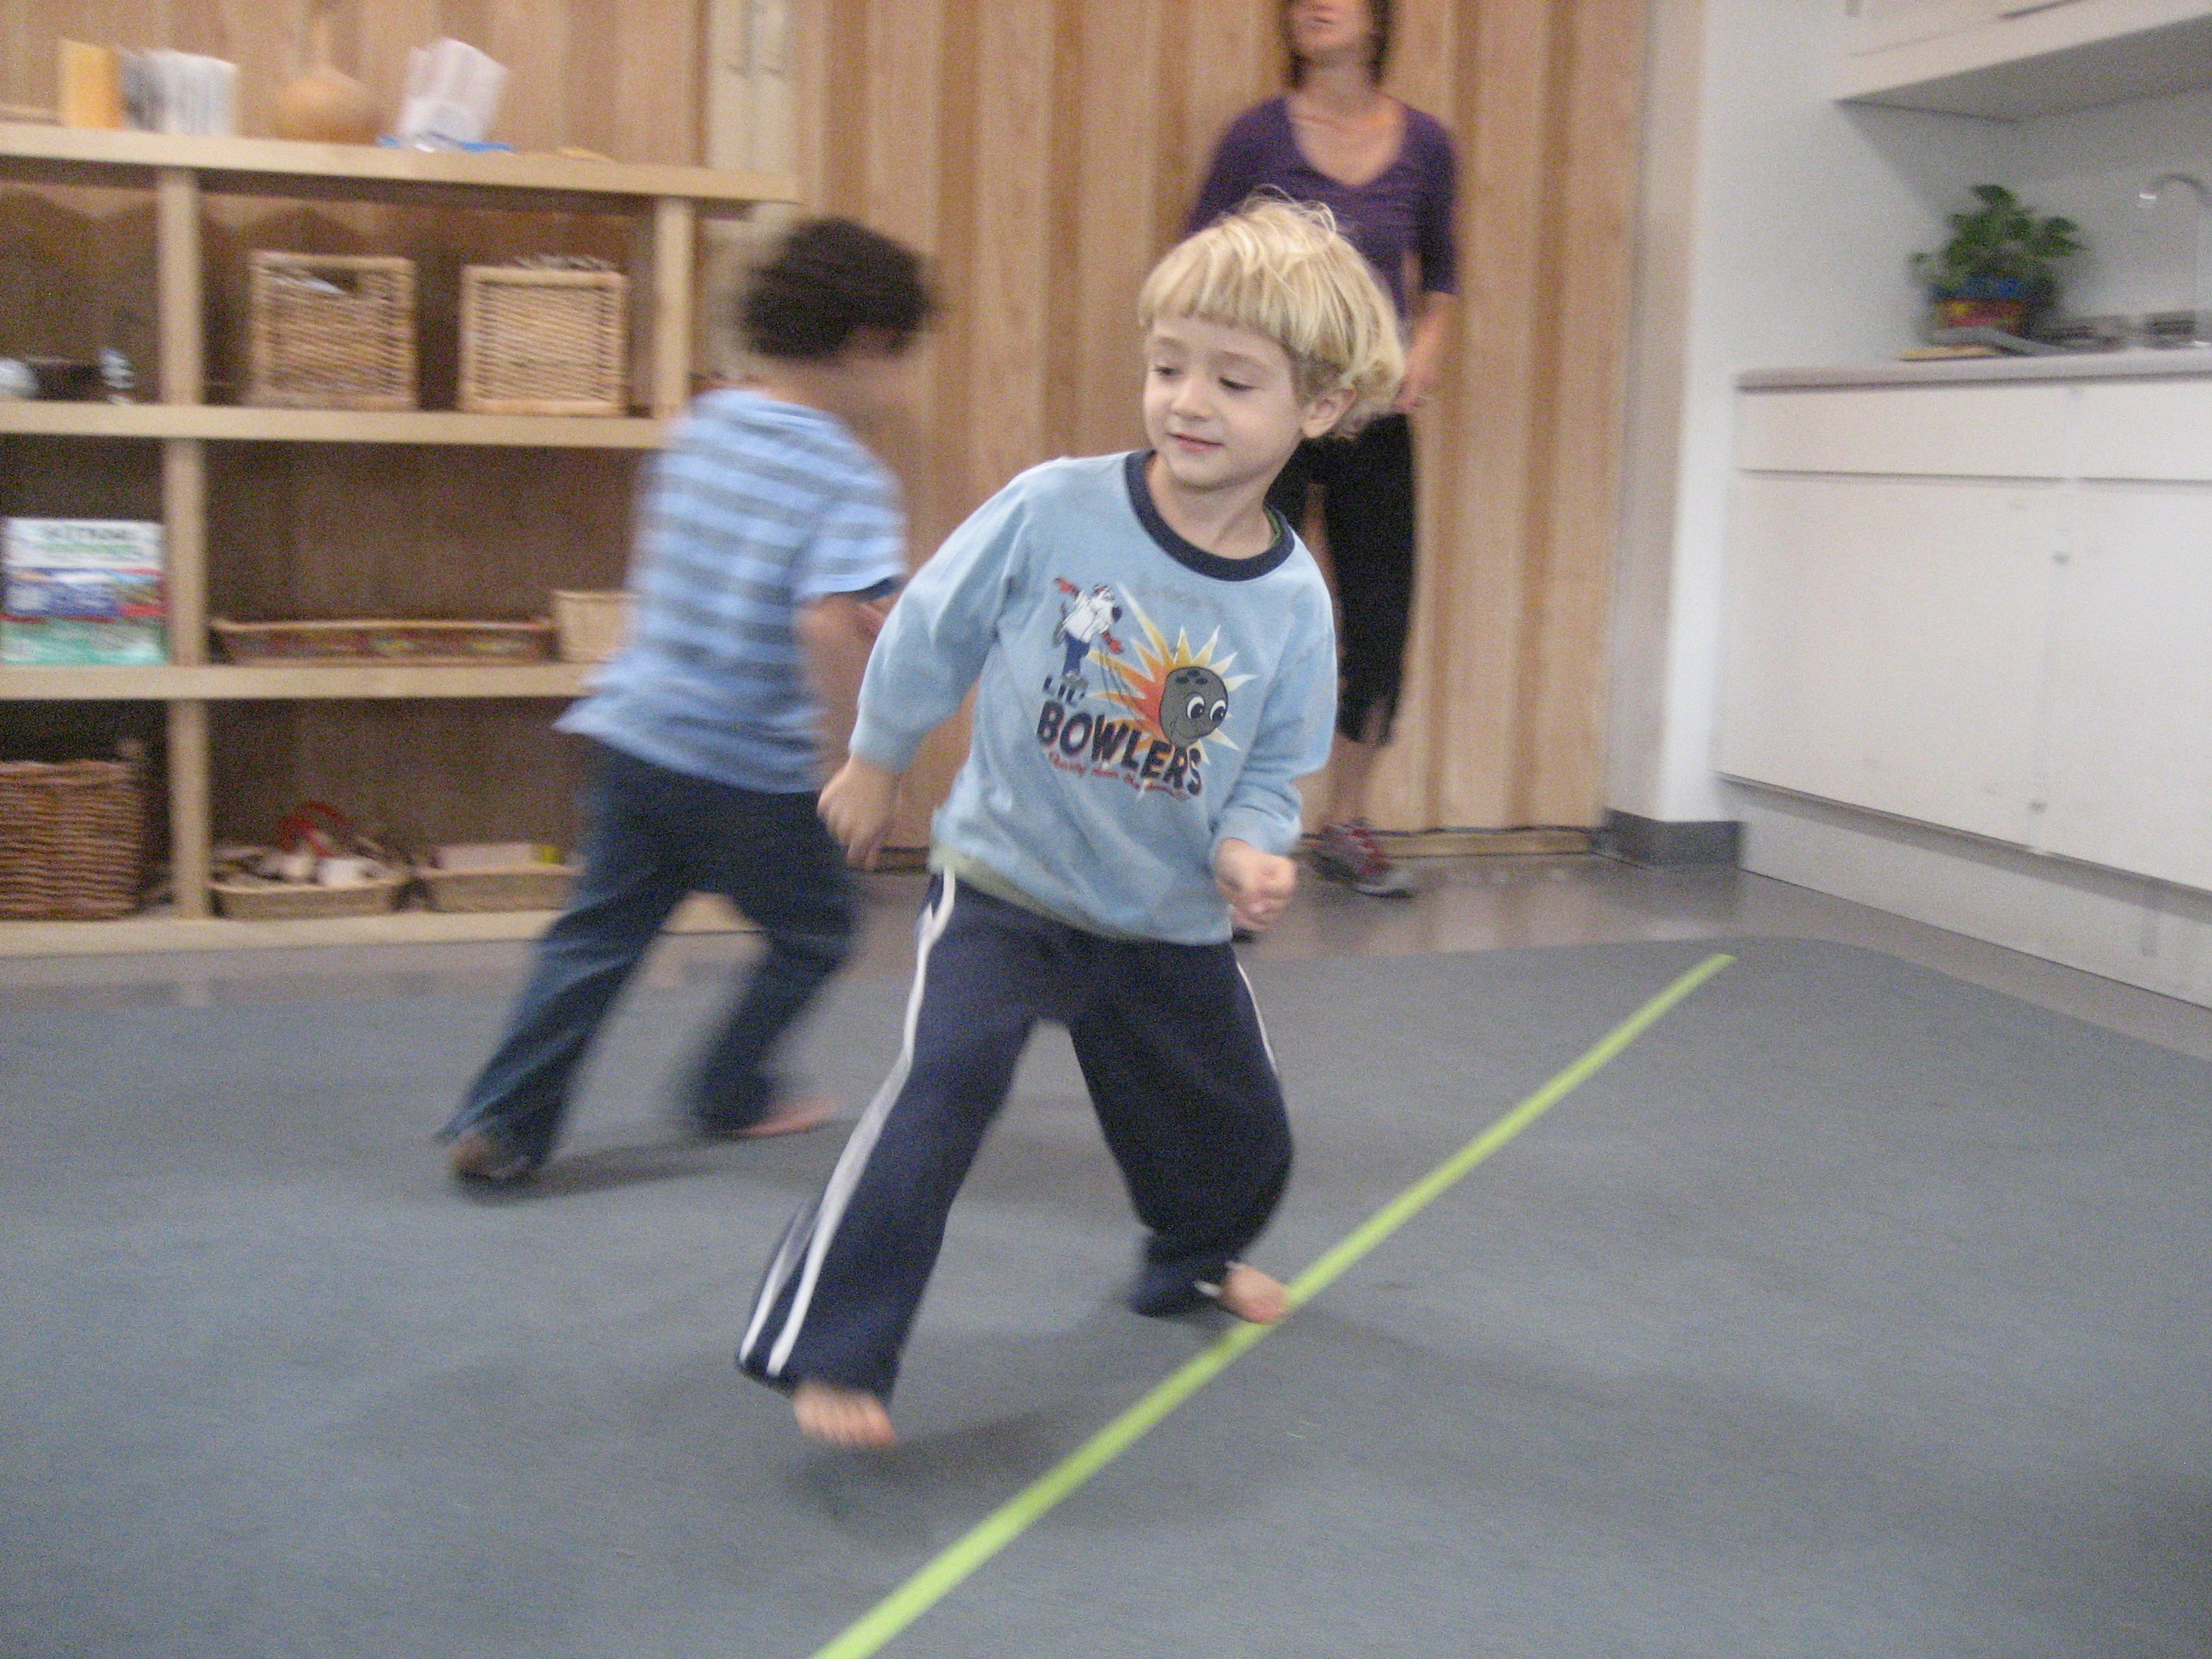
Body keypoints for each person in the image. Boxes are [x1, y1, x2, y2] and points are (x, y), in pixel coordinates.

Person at [738, 200, 1404, 1448]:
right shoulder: (1056, 509)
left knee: (1234, 1128)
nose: (1187, 402)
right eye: (1168, 367)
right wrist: (876, 760)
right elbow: (929, 628)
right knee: (942, 1089)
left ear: (1317, 407)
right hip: (1008, 883)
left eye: (1233, 381)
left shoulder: (1293, 604)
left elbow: (1275, 767)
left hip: (1164, 917)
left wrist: (1253, 847)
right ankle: (830, 1345)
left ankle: (1193, 1259)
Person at [438, 218, 933, 1190]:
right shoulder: (846, 476)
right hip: (747, 769)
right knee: (817, 931)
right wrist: (857, 759)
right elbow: (831, 623)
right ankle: (729, 1092)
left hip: (635, 739)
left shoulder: (701, 426)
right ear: (868, 343)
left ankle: (504, 1121)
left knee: (595, 938)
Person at [1188, 0, 1458, 898]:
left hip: (1371, 416)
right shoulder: (1254, 139)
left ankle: (1345, 821)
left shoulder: (1425, 146)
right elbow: (1196, 265)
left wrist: (1423, 353)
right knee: (1241, 614)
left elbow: (1441, 278)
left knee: (1378, 620)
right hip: (1263, 418)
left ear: (1377, 19)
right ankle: (1218, 828)